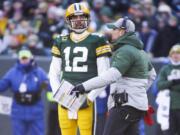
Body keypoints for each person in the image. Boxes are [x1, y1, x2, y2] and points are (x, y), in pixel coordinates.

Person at [71, 17, 157, 135]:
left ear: (122, 31)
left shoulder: (126, 51)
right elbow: (152, 75)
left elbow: (111, 76)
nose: (111, 32)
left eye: (114, 29)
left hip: (124, 105)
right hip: (136, 106)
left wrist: (84, 86)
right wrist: (138, 92)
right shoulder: (141, 52)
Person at [49, 2, 112, 135]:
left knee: (87, 132)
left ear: (88, 19)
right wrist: (58, 95)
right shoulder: (61, 40)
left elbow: (104, 75)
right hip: (65, 96)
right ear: (68, 20)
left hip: (86, 96)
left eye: (81, 17)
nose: (78, 20)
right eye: (74, 17)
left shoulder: (97, 39)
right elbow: (53, 73)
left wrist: (90, 97)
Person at [0, 49, 49, 135]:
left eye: (26, 58)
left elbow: (48, 86)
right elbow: (3, 85)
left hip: (35, 110)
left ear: (31, 58)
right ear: (19, 59)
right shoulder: (12, 72)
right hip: (18, 110)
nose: (24, 60)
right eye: (22, 58)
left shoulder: (38, 72)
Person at [157, 44, 180, 135]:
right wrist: (173, 82)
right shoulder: (165, 69)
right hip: (168, 107)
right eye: (173, 53)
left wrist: (170, 84)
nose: (175, 55)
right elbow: (160, 85)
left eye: (178, 53)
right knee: (169, 131)